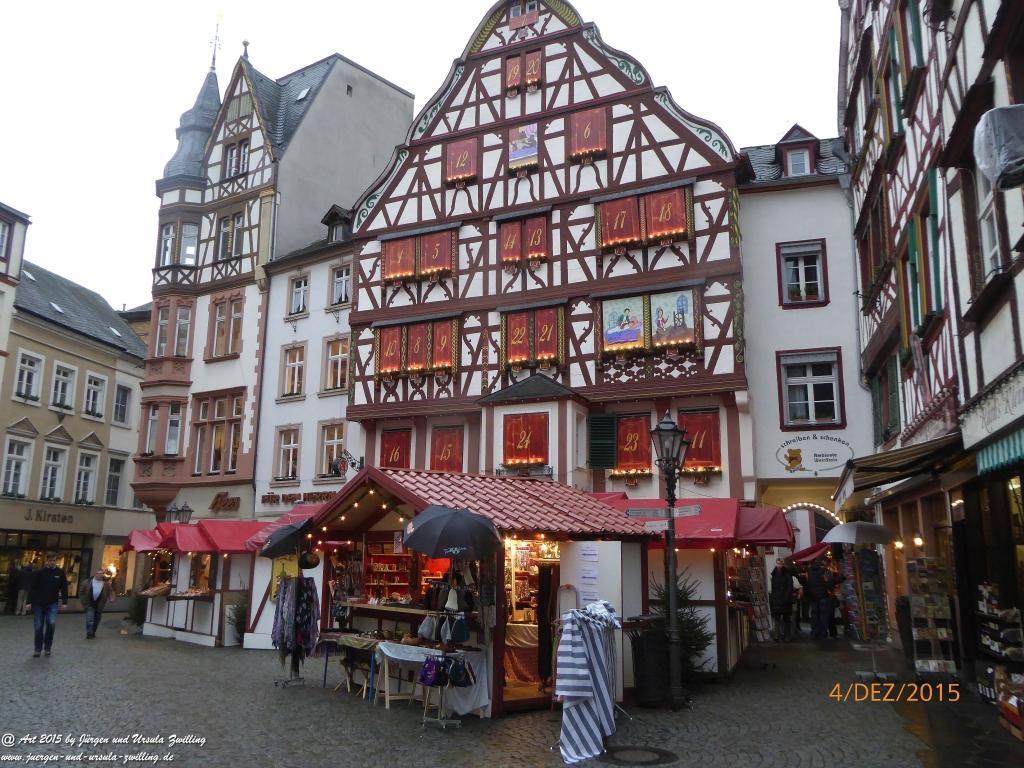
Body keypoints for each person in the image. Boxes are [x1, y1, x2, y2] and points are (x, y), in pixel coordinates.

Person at [26, 552, 68, 657]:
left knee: (51, 624)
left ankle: (48, 647)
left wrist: (64, 601)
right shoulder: (39, 573)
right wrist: (29, 602)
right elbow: (32, 588)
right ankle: (37, 649)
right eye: (50, 560)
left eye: (54, 560)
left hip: (52, 603)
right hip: (39, 604)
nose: (52, 562)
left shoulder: (60, 573)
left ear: (56, 561)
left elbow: (64, 587)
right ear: (47, 561)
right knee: (38, 627)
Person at [80, 568, 112, 639]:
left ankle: (93, 632)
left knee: (97, 619)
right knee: (89, 619)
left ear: (103, 575)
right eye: (98, 573)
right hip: (89, 603)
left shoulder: (106, 584)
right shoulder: (87, 582)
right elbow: (81, 592)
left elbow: (110, 592)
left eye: (101, 574)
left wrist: (110, 598)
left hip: (99, 604)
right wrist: (83, 600)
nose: (99, 575)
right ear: (95, 574)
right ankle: (89, 633)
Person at [769, 558, 795, 642]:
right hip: (777, 600)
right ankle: (777, 635)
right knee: (777, 618)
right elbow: (773, 588)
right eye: (777, 563)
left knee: (786, 618)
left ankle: (787, 635)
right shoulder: (774, 575)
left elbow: (789, 588)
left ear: (782, 564)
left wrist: (786, 599)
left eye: (780, 563)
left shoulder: (787, 574)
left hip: (785, 600)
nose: (779, 565)